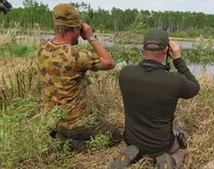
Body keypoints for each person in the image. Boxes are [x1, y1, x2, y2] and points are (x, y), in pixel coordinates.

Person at [37, 3, 121, 151]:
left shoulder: (42, 48)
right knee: (115, 134)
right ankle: (67, 144)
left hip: (51, 119)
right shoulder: (77, 55)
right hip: (74, 124)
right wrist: (90, 37)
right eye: (79, 29)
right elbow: (109, 63)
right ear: (76, 29)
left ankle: (56, 135)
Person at [116, 29, 200, 169]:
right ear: (166, 50)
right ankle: (170, 159)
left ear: (143, 49)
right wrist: (178, 60)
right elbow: (194, 87)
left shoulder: (125, 73)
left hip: (131, 139)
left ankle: (135, 153)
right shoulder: (174, 81)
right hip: (160, 144)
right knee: (181, 142)